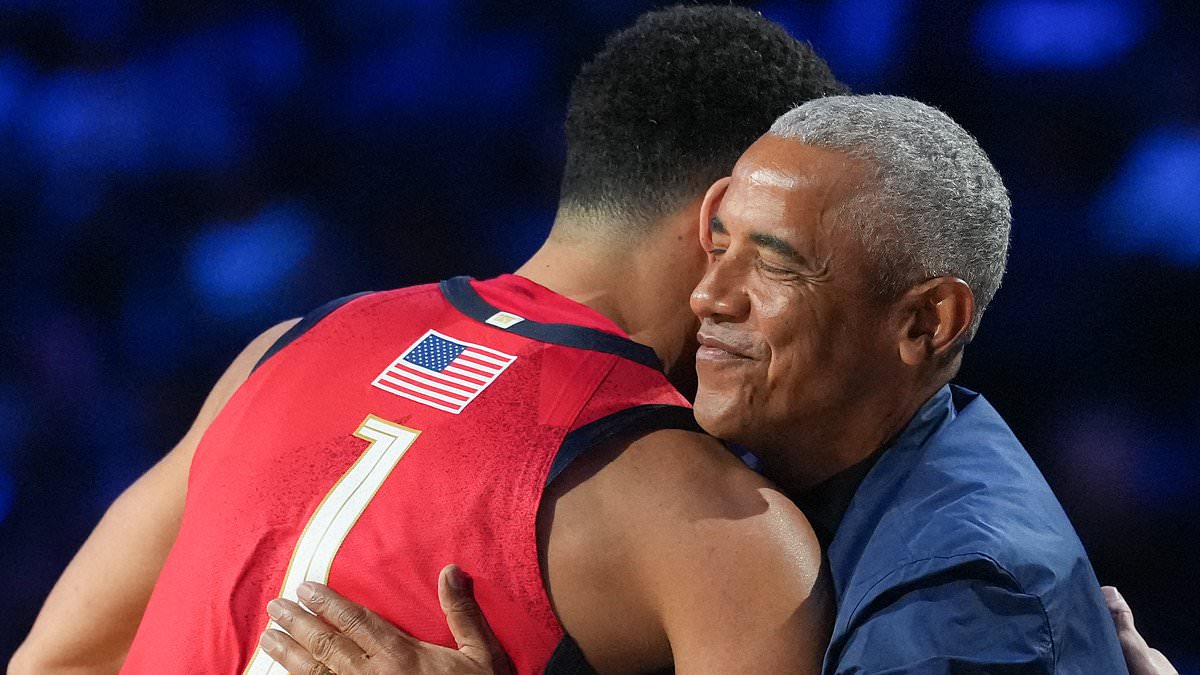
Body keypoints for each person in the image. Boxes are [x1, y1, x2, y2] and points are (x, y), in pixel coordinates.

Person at [9, 6, 851, 675]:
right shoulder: (725, 534)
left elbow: (56, 660)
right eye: (800, 251)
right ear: (723, 219)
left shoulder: (283, 346)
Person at [265, 96, 1150, 674]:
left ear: (926, 322)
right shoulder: (834, 478)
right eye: (717, 245)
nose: (706, 296)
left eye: (776, 267)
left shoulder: (961, 603)